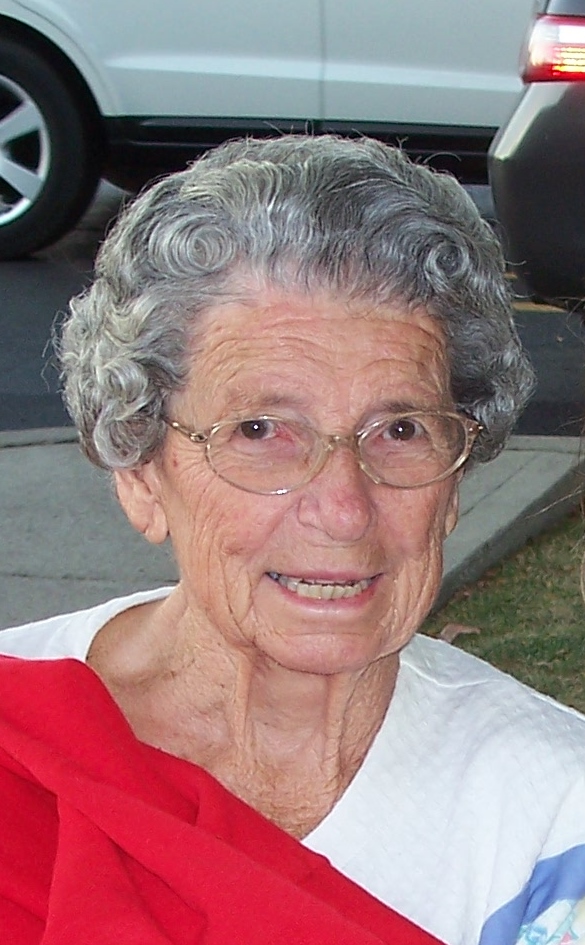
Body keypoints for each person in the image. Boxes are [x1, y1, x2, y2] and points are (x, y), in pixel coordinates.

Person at [0, 133, 584, 945]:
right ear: (140, 471)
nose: (343, 508)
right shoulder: (19, 747)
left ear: (452, 482)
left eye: (401, 430)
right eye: (261, 430)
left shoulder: (551, 818)